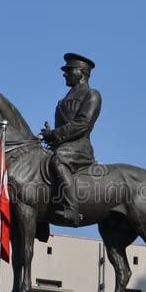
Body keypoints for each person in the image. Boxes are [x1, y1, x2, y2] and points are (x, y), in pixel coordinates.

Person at [40, 53, 101, 226]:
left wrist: (54, 134)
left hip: (79, 147)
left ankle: (71, 209)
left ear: (81, 72)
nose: (64, 73)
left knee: (58, 161)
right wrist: (49, 136)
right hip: (61, 145)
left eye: (69, 70)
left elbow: (82, 124)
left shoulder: (92, 95)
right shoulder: (62, 101)